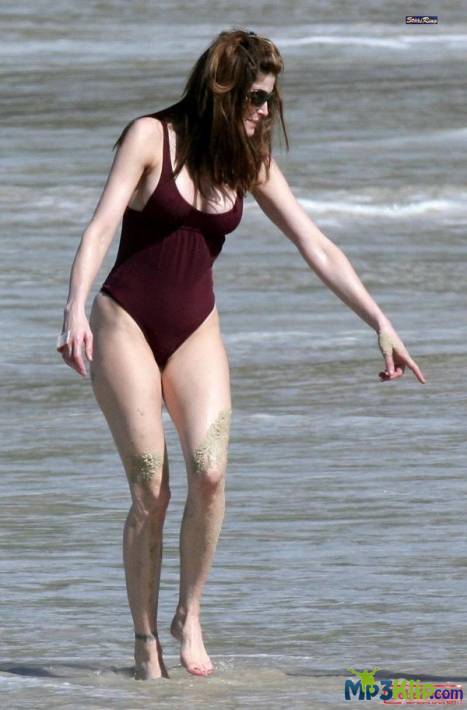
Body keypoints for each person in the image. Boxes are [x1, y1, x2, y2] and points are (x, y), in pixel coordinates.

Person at [56, 28, 426, 681]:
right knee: (151, 489)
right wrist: (74, 308)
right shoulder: (150, 137)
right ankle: (145, 641)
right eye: (256, 97)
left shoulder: (247, 159)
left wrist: (380, 321)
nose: (264, 110)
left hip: (195, 328)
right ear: (221, 88)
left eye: (270, 99)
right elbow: (101, 225)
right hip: (124, 322)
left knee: (211, 472)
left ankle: (189, 614)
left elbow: (315, 244)